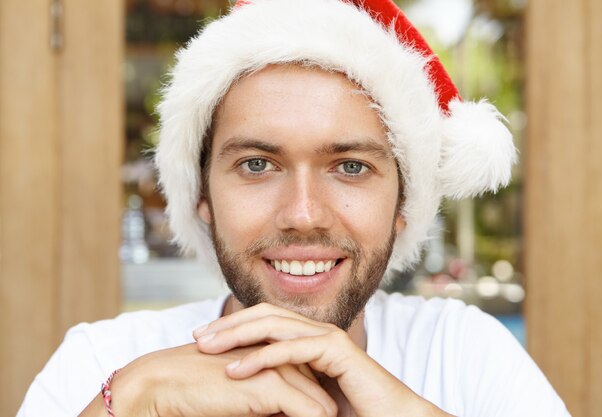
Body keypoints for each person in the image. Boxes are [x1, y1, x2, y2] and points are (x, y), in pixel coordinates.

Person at [18, 0, 571, 416]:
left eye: (351, 166)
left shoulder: (462, 352)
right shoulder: (102, 360)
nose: (303, 214)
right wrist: (134, 398)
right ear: (202, 197)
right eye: (257, 164)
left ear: (403, 203)